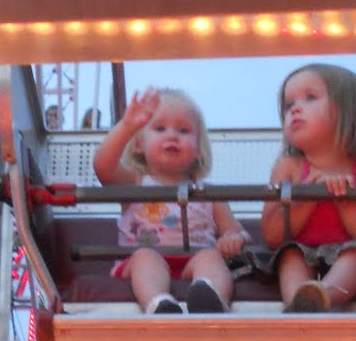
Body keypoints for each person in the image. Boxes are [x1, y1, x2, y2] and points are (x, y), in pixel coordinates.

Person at [261, 62, 356, 312]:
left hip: (353, 251)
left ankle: (321, 295)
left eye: (310, 98)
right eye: (289, 104)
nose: (295, 110)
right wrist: (306, 198)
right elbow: (273, 236)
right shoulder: (288, 168)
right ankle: (297, 301)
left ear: (348, 111)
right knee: (290, 254)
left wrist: (343, 200)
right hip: (301, 248)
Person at [94, 86, 248, 315]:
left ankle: (211, 298)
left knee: (211, 257)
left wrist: (233, 239)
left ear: (198, 149)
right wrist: (127, 126)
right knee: (145, 256)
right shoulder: (134, 184)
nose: (172, 135)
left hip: (193, 262)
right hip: (146, 262)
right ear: (138, 145)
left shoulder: (209, 196)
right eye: (160, 128)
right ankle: (158, 304)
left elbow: (236, 231)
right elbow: (103, 167)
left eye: (184, 130)